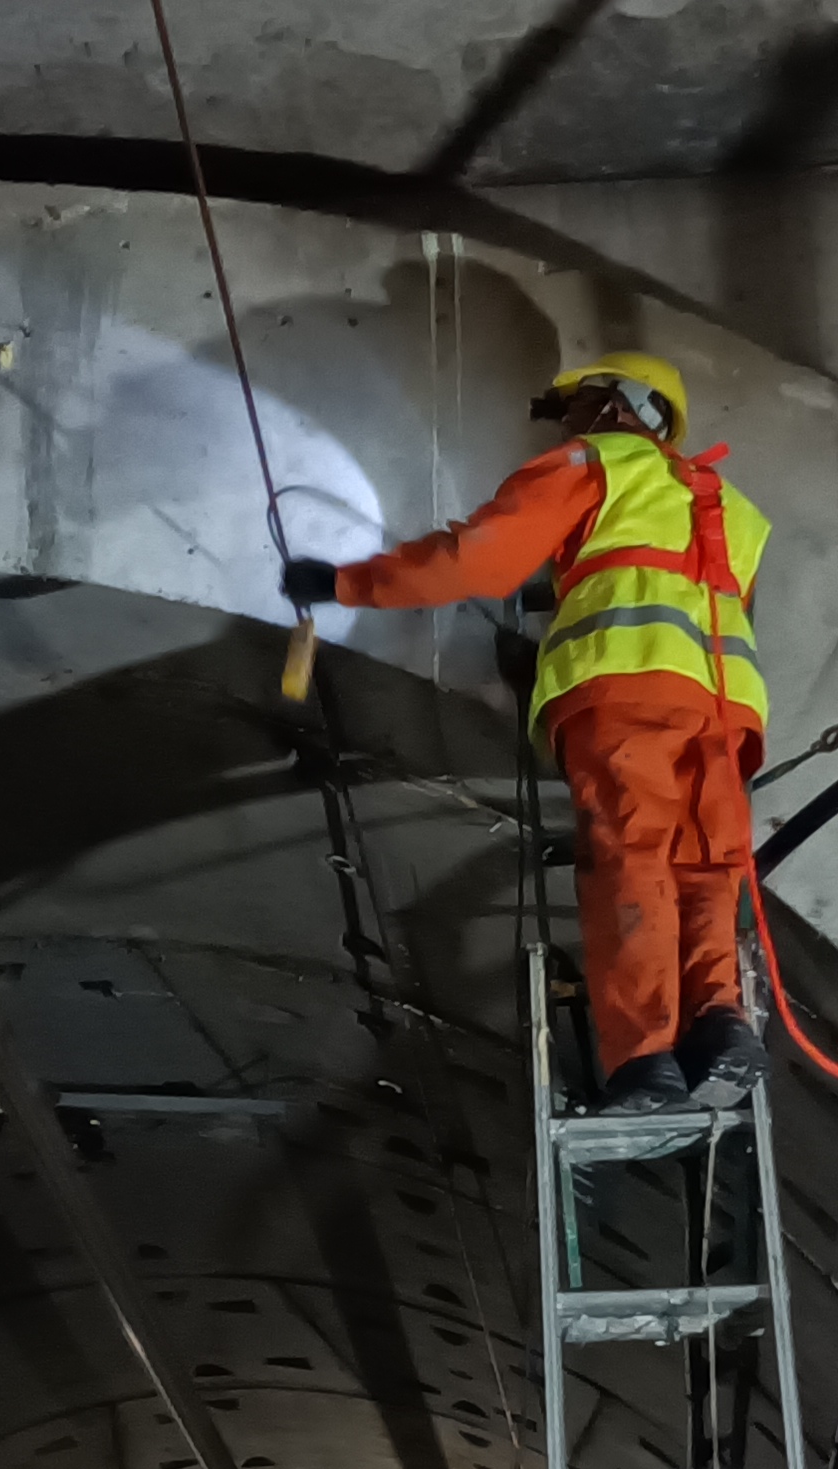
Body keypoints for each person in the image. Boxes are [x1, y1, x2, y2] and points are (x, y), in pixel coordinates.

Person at [281, 353, 772, 1115]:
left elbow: (475, 561)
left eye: (578, 407)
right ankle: (720, 1024)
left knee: (631, 859)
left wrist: (343, 583)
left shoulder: (594, 463)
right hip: (725, 709)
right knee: (704, 866)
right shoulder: (731, 507)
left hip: (626, 690)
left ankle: (645, 1060)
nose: (566, 424)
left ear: (620, 407)